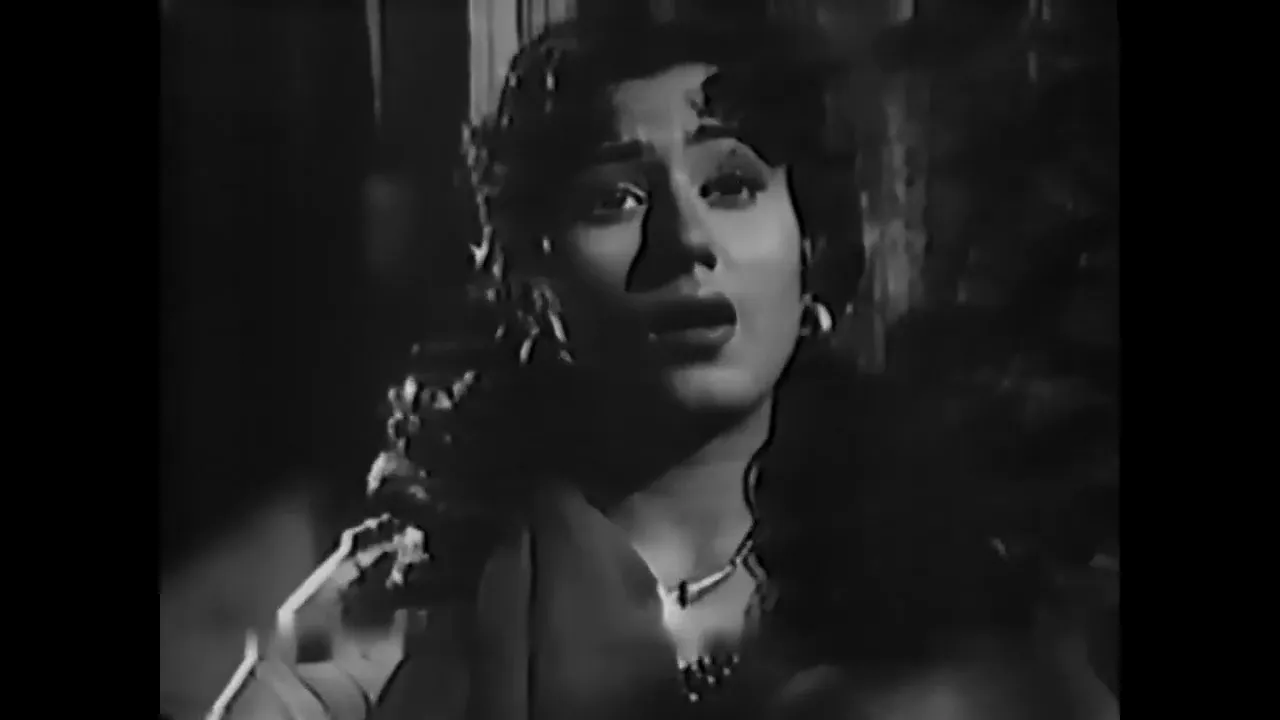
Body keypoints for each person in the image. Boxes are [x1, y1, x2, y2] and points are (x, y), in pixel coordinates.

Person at [217, 13, 1118, 720]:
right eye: (616, 198)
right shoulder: (406, 589)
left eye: (731, 186)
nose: (685, 239)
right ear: (533, 282)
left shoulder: (945, 578)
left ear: (813, 251)